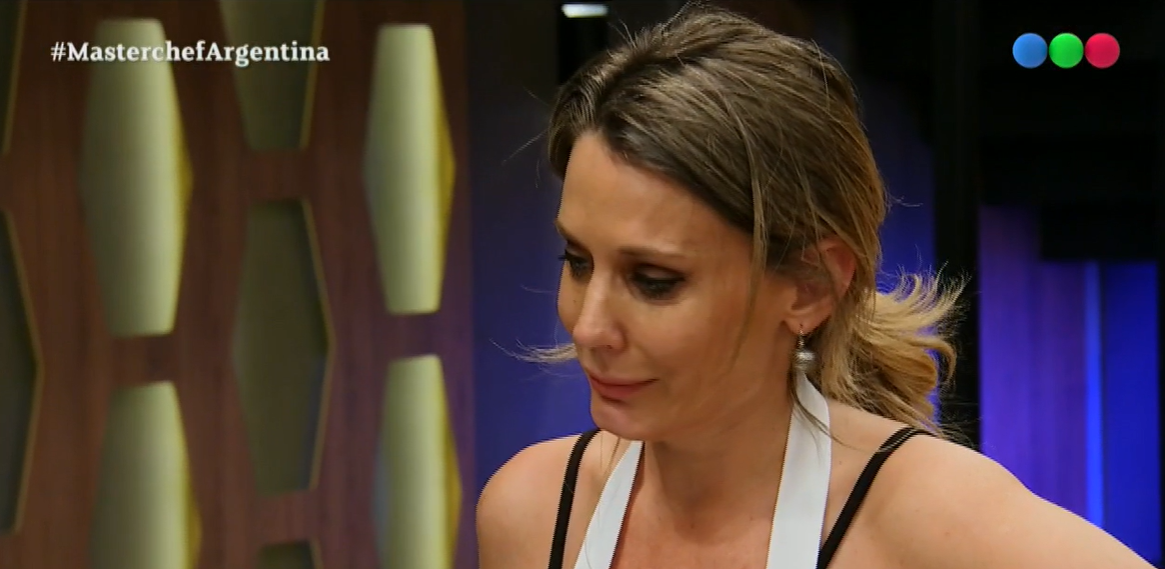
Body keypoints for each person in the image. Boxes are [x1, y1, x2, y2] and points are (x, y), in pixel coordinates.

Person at [477, 4, 1153, 569]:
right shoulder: (533, 511)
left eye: (654, 281)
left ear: (810, 286)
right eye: (577, 261)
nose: (589, 325)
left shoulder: (929, 518)